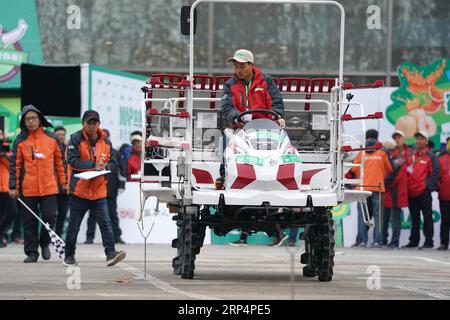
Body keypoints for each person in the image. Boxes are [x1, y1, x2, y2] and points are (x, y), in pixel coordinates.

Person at [64, 110, 126, 267]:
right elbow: (72, 161)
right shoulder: (75, 139)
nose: (91, 126)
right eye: (88, 123)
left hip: (99, 191)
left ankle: (110, 254)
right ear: (83, 123)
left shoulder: (106, 141)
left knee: (106, 223)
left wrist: (105, 166)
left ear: (99, 124)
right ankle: (69, 256)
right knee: (74, 226)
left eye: (94, 122)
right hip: (79, 191)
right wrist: (93, 165)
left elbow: (113, 162)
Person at [9, 105, 67, 262]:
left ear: (40, 119)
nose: (31, 121)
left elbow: (60, 163)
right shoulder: (20, 141)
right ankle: (31, 252)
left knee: (49, 216)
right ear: (23, 122)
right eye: (27, 119)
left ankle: (44, 242)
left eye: (34, 118)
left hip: (49, 187)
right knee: (29, 222)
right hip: (28, 189)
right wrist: (13, 186)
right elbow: (15, 165)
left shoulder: (52, 138)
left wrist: (65, 183)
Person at [221, 49, 285, 128]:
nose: (238, 70)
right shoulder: (229, 84)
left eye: (242, 67)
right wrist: (237, 118)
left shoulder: (266, 80)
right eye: (236, 66)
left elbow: (276, 102)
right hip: (239, 129)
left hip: (266, 128)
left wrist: (276, 116)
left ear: (252, 65)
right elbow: (227, 107)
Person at [351, 137, 393, 248]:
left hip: (362, 189)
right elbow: (389, 169)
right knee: (378, 216)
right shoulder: (382, 154)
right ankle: (377, 242)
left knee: (362, 216)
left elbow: (353, 169)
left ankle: (363, 242)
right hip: (377, 189)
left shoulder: (361, 154)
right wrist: (380, 174)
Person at [85, 129, 126, 244]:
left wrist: (121, 185)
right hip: (96, 189)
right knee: (93, 215)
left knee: (112, 214)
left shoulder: (116, 153)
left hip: (111, 189)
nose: (106, 139)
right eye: (104, 137)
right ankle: (89, 237)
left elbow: (122, 169)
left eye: (107, 136)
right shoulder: (93, 151)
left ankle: (117, 236)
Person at [403, 131, 439, 249]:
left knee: (427, 216)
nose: (418, 141)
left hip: (424, 192)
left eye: (421, 139)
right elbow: (406, 172)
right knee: (414, 218)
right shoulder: (411, 156)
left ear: (426, 141)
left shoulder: (431, 156)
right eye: (417, 139)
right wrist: (408, 186)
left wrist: (428, 187)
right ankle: (414, 241)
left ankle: (429, 241)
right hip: (411, 191)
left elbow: (435, 174)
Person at [382, 131, 410, 249]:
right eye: (395, 138)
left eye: (399, 137)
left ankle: (394, 242)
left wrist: (383, 184)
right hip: (388, 192)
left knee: (394, 220)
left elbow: (393, 175)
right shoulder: (389, 154)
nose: (397, 140)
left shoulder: (405, 155)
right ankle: (384, 241)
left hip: (396, 193)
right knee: (385, 219)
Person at [0, 129, 18, 248]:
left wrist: (3, 153)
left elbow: (11, 164)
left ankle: (1, 233)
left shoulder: (6, 149)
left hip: (6, 187)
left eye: (0, 134)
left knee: (13, 212)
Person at [53, 126, 69, 237]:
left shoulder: (69, 149)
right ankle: (47, 236)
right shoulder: (49, 148)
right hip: (52, 187)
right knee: (50, 214)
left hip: (64, 188)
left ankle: (58, 236)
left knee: (62, 214)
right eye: (58, 134)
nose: (61, 137)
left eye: (63, 134)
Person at [437, 141, 450, 250]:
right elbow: (436, 176)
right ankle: (444, 243)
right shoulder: (441, 158)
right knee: (445, 221)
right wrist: (438, 188)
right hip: (445, 195)